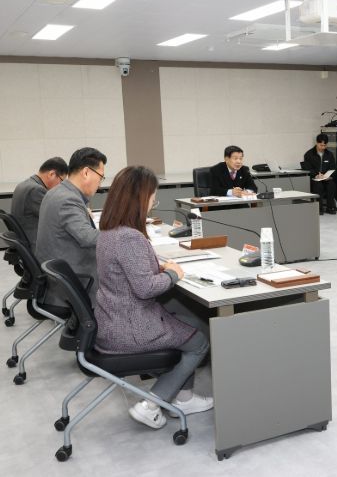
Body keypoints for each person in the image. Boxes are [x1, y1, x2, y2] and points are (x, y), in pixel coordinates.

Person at [95, 166, 212, 429]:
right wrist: (172, 274)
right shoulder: (129, 238)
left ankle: (184, 398)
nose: (152, 203)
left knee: (189, 322)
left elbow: (125, 271)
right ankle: (151, 404)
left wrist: (158, 267)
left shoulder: (109, 232)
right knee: (199, 342)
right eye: (152, 198)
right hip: (132, 328)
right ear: (138, 199)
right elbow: (145, 289)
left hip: (113, 319)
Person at [35, 148, 107, 304]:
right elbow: (88, 238)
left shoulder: (57, 192)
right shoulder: (68, 199)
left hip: (59, 272)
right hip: (74, 282)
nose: (100, 185)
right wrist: (123, 233)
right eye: (101, 177)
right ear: (86, 172)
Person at [11, 157, 68, 250]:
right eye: (61, 181)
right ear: (52, 174)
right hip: (35, 244)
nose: (60, 185)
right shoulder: (36, 190)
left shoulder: (24, 184)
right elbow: (57, 217)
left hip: (24, 239)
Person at [303, 133, 337, 215]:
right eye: (321, 145)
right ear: (317, 143)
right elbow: (307, 168)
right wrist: (316, 175)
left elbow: (333, 168)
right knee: (318, 186)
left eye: (325, 145)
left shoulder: (329, 155)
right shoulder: (309, 154)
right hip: (314, 178)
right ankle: (319, 208)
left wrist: (329, 176)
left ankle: (330, 207)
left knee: (331, 185)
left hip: (326, 178)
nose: (323, 147)